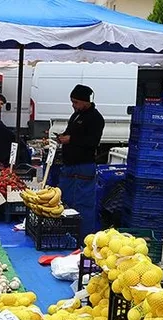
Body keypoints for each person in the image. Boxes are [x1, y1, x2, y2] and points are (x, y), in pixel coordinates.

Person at [47, 84, 105, 236]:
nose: (73, 105)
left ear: (86, 101)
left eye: (76, 102)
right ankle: (66, 235)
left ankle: (83, 238)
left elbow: (93, 141)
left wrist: (71, 139)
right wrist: (62, 137)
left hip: (84, 166)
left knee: (83, 205)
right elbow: (70, 132)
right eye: (72, 102)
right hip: (69, 166)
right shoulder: (76, 115)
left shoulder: (96, 118)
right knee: (65, 201)